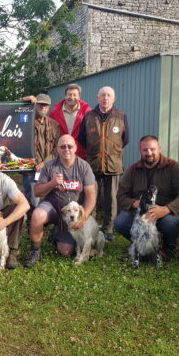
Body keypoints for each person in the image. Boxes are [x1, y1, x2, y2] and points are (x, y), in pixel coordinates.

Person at [114, 135, 179, 260]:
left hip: (166, 212)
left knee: (170, 224)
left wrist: (166, 209)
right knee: (120, 222)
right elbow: (121, 195)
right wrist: (135, 204)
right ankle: (142, 246)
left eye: (152, 149)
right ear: (140, 151)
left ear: (159, 149)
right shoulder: (133, 170)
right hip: (141, 214)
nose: (149, 153)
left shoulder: (173, 167)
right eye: (145, 150)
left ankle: (167, 249)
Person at [25, 135, 96, 268]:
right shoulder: (49, 166)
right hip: (52, 206)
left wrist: (84, 217)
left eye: (70, 146)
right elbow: (37, 192)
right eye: (62, 146)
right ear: (57, 149)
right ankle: (35, 251)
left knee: (65, 251)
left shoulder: (84, 166)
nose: (66, 149)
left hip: (73, 213)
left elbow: (91, 195)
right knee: (37, 215)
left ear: (75, 148)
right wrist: (52, 183)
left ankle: (58, 232)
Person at [78, 86, 129, 242]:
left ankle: (108, 229)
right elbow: (82, 139)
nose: (105, 98)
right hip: (93, 163)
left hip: (113, 164)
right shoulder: (88, 117)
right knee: (90, 195)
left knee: (111, 198)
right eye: (102, 95)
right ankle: (90, 226)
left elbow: (125, 139)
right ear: (97, 98)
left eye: (108, 96)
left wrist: (110, 151)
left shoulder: (121, 116)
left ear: (113, 99)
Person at [21, 93, 61, 213]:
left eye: (46, 105)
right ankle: (31, 225)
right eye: (40, 104)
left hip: (48, 167)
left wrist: (44, 163)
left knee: (50, 197)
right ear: (35, 105)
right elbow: (12, 112)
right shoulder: (25, 120)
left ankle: (45, 223)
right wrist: (23, 100)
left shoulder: (54, 125)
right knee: (33, 199)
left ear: (49, 107)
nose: (43, 107)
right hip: (30, 169)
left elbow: (57, 148)